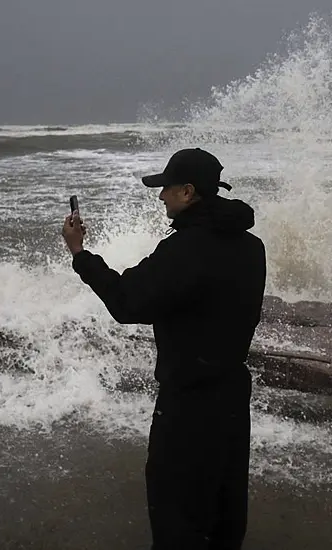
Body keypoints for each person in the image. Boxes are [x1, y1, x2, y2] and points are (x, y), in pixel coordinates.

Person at [62, 147, 267, 550]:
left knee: (177, 510)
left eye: (167, 189)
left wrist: (79, 253)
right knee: (225, 503)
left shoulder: (186, 249)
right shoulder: (251, 246)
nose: (161, 197)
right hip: (231, 390)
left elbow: (126, 301)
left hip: (190, 401)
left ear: (188, 191)